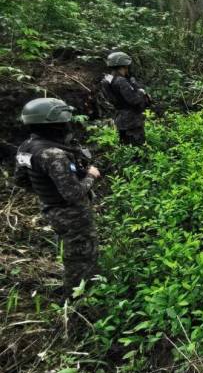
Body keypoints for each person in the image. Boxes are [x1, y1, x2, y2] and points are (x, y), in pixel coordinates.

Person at [14, 98, 101, 298]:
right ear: (53, 124)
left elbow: (20, 180)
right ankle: (77, 298)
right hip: (71, 213)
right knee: (81, 255)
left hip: (51, 209)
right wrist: (91, 176)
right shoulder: (53, 154)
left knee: (73, 251)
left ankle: (78, 289)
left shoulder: (26, 147)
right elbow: (73, 193)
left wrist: (48, 192)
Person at [101, 51, 150, 146]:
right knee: (138, 147)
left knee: (125, 145)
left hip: (120, 118)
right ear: (124, 65)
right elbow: (134, 100)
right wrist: (141, 92)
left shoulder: (107, 81)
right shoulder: (121, 81)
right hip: (131, 120)